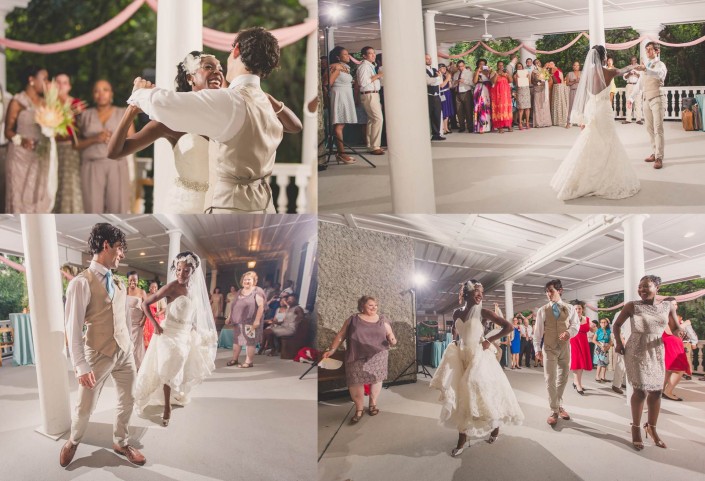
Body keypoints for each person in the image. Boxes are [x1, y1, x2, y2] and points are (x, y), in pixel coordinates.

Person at [129, 27, 294, 212]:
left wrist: (140, 92)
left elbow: (165, 103)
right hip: (266, 206)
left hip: (230, 208)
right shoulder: (265, 101)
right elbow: (295, 126)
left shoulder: (228, 100)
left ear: (236, 50)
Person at [60, 223, 146, 467]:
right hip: (97, 354)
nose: (122, 254)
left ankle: (121, 441)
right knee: (85, 406)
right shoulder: (81, 283)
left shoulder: (118, 283)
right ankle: (73, 441)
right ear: (106, 245)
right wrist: (80, 364)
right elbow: (72, 327)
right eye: (119, 248)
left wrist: (129, 345)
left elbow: (122, 317)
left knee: (128, 399)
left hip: (124, 352)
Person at [430, 280, 524, 457]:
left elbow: (508, 327)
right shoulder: (457, 312)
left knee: (480, 393)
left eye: (482, 292)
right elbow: (454, 328)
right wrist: (455, 340)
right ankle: (463, 437)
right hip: (462, 356)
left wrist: (489, 340)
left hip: (479, 358)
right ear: (466, 294)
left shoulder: (484, 312)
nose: (481, 295)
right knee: (461, 396)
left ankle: (494, 428)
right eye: (477, 292)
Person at [136, 252, 217, 426]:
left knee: (180, 365)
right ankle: (167, 407)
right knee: (170, 363)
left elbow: (190, 313)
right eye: (179, 270)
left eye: (186, 271)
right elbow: (145, 304)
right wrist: (156, 325)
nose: (181, 273)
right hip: (168, 334)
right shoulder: (171, 287)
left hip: (184, 334)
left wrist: (193, 328)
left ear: (192, 272)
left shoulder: (193, 290)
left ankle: (173, 395)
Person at [550, 45, 640, 200]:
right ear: (604, 57)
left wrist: (582, 118)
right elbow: (623, 70)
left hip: (591, 108)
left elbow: (584, 96)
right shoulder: (609, 71)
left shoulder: (587, 74)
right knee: (609, 141)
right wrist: (634, 66)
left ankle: (581, 178)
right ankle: (604, 178)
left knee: (590, 140)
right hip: (603, 110)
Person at [613, 275, 684, 450]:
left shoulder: (667, 306)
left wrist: (680, 332)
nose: (642, 290)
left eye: (646, 286)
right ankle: (636, 428)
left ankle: (651, 428)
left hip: (656, 350)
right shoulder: (631, 306)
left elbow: (674, 328)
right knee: (641, 391)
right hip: (636, 350)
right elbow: (616, 325)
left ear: (657, 288)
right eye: (640, 287)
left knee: (657, 392)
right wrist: (618, 343)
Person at [322, 296, 397, 424]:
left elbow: (389, 333)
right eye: (370, 305)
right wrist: (332, 349)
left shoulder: (382, 319)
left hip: (378, 355)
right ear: (362, 306)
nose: (374, 308)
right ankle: (359, 409)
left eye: (375, 305)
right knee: (355, 382)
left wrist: (392, 339)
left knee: (376, 379)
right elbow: (341, 334)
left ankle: (373, 404)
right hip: (356, 355)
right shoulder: (353, 319)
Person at [76, 80, 132, 213]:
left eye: (105, 90)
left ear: (111, 93)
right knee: (92, 209)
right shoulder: (84, 115)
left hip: (116, 165)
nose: (101, 94)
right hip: (91, 165)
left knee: (118, 208)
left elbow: (132, 140)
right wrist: (95, 138)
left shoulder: (123, 113)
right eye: (97, 90)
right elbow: (76, 144)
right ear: (93, 95)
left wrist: (116, 139)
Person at [4, 66, 52, 213]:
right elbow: (8, 131)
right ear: (32, 80)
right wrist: (22, 140)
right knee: (19, 195)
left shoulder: (46, 103)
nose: (47, 82)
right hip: (20, 157)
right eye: (44, 78)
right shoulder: (17, 101)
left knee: (38, 192)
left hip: (40, 156)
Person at [533, 279, 580, 426]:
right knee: (550, 379)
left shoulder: (570, 308)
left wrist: (569, 332)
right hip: (549, 348)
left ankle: (558, 404)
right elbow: (537, 333)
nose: (548, 294)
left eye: (551, 290)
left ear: (560, 291)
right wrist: (537, 350)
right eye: (546, 291)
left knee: (564, 377)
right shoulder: (542, 310)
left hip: (565, 348)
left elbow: (576, 325)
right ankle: (554, 410)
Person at [627, 42, 667, 169]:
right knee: (649, 129)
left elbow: (658, 74)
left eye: (650, 50)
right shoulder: (646, 66)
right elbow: (640, 83)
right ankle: (655, 153)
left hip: (658, 98)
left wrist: (645, 69)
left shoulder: (660, 65)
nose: (648, 52)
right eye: (646, 50)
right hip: (646, 100)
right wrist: (631, 98)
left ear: (657, 51)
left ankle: (659, 157)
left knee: (658, 128)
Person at [53, 73, 85, 213]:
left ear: (69, 86)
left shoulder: (76, 103)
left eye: (64, 82)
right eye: (58, 82)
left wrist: (77, 115)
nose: (61, 85)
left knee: (69, 182)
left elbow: (83, 128)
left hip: (69, 148)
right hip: (52, 147)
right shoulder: (48, 103)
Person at [225, 271, 266, 368]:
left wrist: (257, 320)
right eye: (245, 279)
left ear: (254, 281)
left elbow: (261, 306)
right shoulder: (240, 291)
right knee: (237, 341)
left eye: (249, 279)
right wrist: (230, 317)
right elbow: (234, 305)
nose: (246, 281)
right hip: (238, 321)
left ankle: (249, 362)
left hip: (250, 321)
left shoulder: (257, 291)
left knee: (249, 342)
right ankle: (235, 359)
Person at [326, 46, 358, 164]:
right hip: (339, 96)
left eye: (348, 53)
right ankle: (341, 154)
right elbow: (327, 82)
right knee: (339, 125)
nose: (348, 56)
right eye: (345, 54)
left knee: (341, 125)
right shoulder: (336, 67)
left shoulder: (345, 67)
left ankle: (341, 153)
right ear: (338, 57)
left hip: (346, 95)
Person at [356, 46, 385, 155]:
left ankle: (370, 145)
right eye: (370, 53)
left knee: (371, 120)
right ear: (364, 56)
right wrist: (378, 75)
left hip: (374, 94)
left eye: (374, 53)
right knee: (378, 119)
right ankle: (375, 146)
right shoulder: (364, 67)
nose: (373, 55)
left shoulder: (371, 66)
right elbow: (363, 83)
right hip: (369, 95)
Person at [662, 300, 690, 400]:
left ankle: (661, 391)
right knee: (679, 369)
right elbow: (670, 332)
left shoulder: (672, 316)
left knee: (668, 370)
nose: (675, 306)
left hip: (675, 344)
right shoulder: (664, 316)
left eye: (675, 304)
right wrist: (685, 324)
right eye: (672, 304)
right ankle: (668, 391)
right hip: (670, 345)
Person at [569, 301, 592, 394]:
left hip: (584, 342)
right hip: (574, 341)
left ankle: (576, 382)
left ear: (582, 309)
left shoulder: (587, 319)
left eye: (579, 308)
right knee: (576, 363)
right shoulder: (569, 319)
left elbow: (592, 329)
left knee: (581, 364)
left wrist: (594, 328)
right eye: (576, 308)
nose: (578, 310)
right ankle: (578, 384)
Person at [126, 271, 147, 370]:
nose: (132, 282)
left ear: (138, 281)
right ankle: (127, 366)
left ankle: (137, 367)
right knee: (127, 345)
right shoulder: (125, 290)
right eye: (130, 280)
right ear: (128, 280)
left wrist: (144, 320)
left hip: (137, 324)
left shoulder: (142, 292)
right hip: (126, 323)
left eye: (135, 280)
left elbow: (146, 308)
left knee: (136, 347)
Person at [426, 54, 445, 141]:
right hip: (428, 96)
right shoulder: (423, 70)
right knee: (428, 115)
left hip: (437, 95)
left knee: (437, 115)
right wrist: (437, 78)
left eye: (430, 58)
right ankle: (426, 134)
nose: (429, 60)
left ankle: (436, 134)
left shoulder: (434, 69)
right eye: (427, 59)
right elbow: (428, 82)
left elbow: (440, 82)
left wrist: (436, 79)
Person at [490, 61, 513, 133]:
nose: (501, 67)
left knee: (507, 108)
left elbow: (511, 81)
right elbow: (493, 81)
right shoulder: (494, 72)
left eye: (502, 65)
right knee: (499, 109)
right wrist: (497, 74)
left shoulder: (506, 73)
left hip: (506, 94)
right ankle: (500, 127)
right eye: (499, 65)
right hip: (498, 94)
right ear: (497, 66)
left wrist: (507, 75)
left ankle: (509, 125)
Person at [452, 60, 474, 133]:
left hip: (466, 92)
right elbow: (452, 84)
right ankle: (462, 127)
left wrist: (464, 81)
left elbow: (472, 83)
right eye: (459, 66)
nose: (460, 68)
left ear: (464, 65)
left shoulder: (469, 73)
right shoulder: (456, 74)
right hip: (457, 93)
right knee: (459, 111)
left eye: (461, 66)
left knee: (468, 111)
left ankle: (470, 127)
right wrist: (455, 82)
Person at [143, 281, 165, 350]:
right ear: (149, 288)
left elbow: (164, 308)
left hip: (156, 319)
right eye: (152, 287)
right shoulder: (146, 296)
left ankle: (154, 349)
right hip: (147, 318)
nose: (154, 288)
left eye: (155, 287)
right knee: (146, 336)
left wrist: (159, 313)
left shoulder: (159, 296)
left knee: (154, 336)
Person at [472, 59, 492, 133]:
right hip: (479, 89)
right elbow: (474, 81)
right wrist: (478, 71)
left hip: (486, 90)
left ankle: (488, 126)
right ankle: (480, 127)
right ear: (478, 65)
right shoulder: (476, 72)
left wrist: (488, 72)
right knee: (479, 107)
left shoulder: (488, 71)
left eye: (483, 64)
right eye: (480, 64)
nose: (482, 65)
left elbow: (492, 80)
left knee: (487, 107)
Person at [531, 59, 551, 128]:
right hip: (537, 89)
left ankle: (546, 122)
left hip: (544, 88)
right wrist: (537, 82)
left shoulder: (545, 70)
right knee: (538, 104)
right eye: (536, 63)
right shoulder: (534, 72)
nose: (538, 63)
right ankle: (538, 123)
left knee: (544, 104)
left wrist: (545, 80)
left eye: (538, 62)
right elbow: (532, 81)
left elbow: (548, 78)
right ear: (534, 64)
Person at [622, 56, 643, 124]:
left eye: (635, 60)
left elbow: (642, 77)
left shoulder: (640, 67)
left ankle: (638, 119)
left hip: (637, 85)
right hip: (629, 85)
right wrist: (629, 74)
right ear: (630, 61)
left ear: (636, 60)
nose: (633, 61)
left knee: (638, 102)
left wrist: (637, 74)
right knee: (629, 102)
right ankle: (628, 119)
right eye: (632, 60)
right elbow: (624, 77)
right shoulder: (628, 67)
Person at [549, 62, 569, 127]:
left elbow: (561, 79)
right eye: (550, 64)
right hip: (555, 87)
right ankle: (555, 120)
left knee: (560, 102)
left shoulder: (558, 70)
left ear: (554, 65)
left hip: (559, 86)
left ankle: (561, 119)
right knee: (555, 102)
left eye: (552, 64)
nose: (551, 65)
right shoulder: (549, 71)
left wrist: (562, 87)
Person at [593, 318, 612, 382]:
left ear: (606, 323)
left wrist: (609, 345)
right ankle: (597, 376)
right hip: (599, 346)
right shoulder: (598, 331)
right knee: (600, 362)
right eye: (602, 322)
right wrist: (601, 346)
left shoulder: (609, 331)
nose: (603, 323)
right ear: (600, 323)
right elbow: (594, 340)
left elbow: (610, 340)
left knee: (605, 362)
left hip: (606, 346)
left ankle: (603, 377)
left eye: (604, 322)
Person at [438, 64, 455, 135]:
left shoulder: (446, 75)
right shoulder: (438, 76)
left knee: (447, 111)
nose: (444, 69)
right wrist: (447, 79)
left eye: (445, 68)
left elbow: (450, 86)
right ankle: (443, 128)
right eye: (442, 68)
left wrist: (449, 80)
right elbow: (441, 85)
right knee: (444, 110)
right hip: (443, 94)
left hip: (448, 93)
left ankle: (446, 127)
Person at [514, 63, 531, 130]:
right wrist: (517, 78)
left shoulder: (526, 73)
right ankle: (520, 123)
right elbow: (517, 84)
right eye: (518, 67)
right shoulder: (515, 75)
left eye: (520, 66)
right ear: (516, 68)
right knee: (521, 108)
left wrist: (527, 77)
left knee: (527, 108)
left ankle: (527, 122)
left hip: (526, 90)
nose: (519, 67)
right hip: (520, 91)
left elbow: (529, 83)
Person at [564, 61, 581, 128]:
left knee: (580, 107)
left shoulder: (582, 73)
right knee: (571, 107)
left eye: (577, 65)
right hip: (573, 91)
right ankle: (568, 122)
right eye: (575, 65)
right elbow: (567, 83)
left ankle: (579, 122)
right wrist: (574, 81)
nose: (576, 66)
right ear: (573, 66)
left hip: (580, 92)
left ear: (579, 66)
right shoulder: (569, 74)